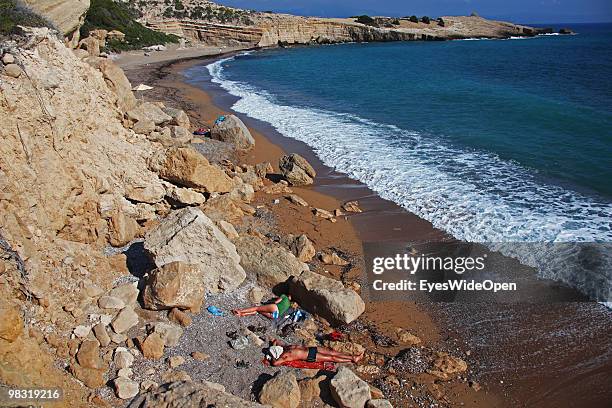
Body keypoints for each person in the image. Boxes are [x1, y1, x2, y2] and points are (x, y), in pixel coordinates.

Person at [264, 339, 363, 366]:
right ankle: (352, 359)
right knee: (331, 358)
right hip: (309, 356)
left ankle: (352, 356)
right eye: (276, 349)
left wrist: (271, 348)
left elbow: (275, 340)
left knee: (331, 352)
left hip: (311, 349)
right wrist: (271, 356)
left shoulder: (283, 347)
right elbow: (275, 363)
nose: (278, 346)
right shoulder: (285, 355)